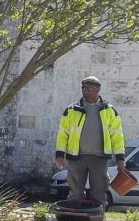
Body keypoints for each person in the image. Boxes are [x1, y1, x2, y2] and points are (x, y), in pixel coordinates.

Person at [54, 76, 126, 207]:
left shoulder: (109, 110)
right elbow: (62, 133)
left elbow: (117, 136)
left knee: (99, 191)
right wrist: (59, 155)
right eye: (83, 88)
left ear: (98, 89)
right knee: (75, 192)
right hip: (76, 157)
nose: (85, 91)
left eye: (89, 89)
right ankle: (73, 217)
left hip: (99, 158)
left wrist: (120, 159)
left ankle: (97, 215)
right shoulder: (72, 109)